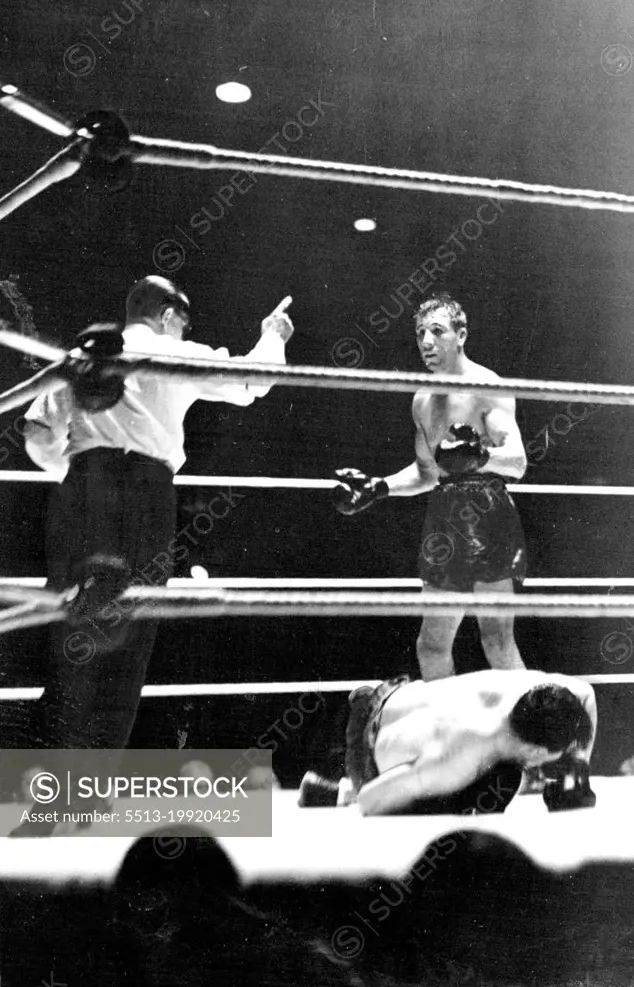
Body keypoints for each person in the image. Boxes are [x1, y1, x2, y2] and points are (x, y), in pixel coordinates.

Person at [20, 274, 293, 763]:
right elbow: (253, 382)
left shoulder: (89, 354)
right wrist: (273, 334)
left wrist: (81, 473)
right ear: (169, 316)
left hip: (83, 490)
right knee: (129, 639)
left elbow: (39, 432)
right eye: (183, 324)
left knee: (70, 631)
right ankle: (86, 794)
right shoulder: (174, 353)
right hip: (147, 496)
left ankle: (40, 784)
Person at [333, 292, 528, 680]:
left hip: (487, 511)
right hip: (444, 517)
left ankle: (537, 735)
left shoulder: (485, 385)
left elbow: (518, 461)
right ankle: (448, 738)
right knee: (432, 645)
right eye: (420, 332)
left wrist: (481, 457)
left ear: (461, 335)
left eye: (436, 331)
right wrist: (379, 487)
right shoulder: (421, 400)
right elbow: (427, 473)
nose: (425, 341)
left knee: (497, 641)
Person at [298, 669, 597, 816]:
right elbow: (370, 801)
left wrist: (580, 765)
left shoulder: (522, 691)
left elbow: (585, 693)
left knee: (250, 741)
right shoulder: (456, 762)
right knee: (502, 783)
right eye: (552, 756)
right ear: (535, 750)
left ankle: (325, 793)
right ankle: (337, 792)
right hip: (362, 756)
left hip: (382, 694)